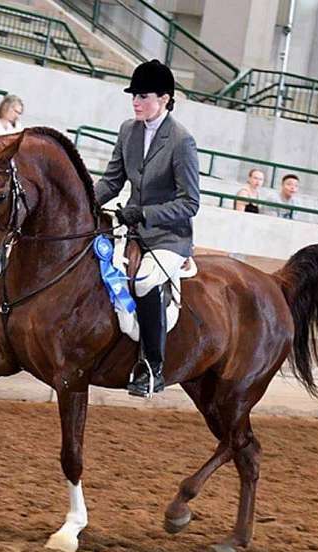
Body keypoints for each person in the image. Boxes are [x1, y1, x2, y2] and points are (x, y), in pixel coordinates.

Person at [94, 59, 200, 398]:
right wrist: (83, 203)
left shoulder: (181, 141)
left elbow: (190, 203)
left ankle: (153, 368)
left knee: (145, 280)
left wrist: (144, 213)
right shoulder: (129, 130)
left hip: (170, 235)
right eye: (133, 96)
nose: (136, 102)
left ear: (165, 98)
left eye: (143, 96)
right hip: (134, 229)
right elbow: (111, 182)